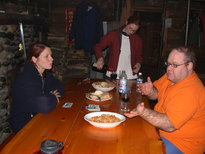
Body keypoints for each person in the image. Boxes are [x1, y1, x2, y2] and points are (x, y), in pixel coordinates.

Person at [125, 47, 205, 154]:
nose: (169, 69)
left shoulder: (191, 90)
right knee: (126, 135)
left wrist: (143, 112)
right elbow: (157, 94)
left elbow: (169, 125)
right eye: (168, 64)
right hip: (159, 130)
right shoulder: (171, 77)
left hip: (182, 145)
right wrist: (150, 91)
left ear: (189, 65)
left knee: (135, 147)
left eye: (175, 65)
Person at [9, 42, 64, 133]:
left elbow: (60, 86)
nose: (52, 59)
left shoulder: (44, 74)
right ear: (34, 59)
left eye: (51, 55)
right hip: (24, 125)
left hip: (39, 117)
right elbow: (44, 105)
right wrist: (53, 97)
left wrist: (47, 98)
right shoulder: (26, 78)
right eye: (47, 56)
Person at [94, 14, 142, 79]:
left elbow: (139, 55)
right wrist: (100, 58)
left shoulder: (137, 39)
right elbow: (98, 46)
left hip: (130, 75)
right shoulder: (113, 34)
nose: (130, 32)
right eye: (130, 28)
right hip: (112, 74)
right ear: (126, 22)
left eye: (133, 30)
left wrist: (138, 64)